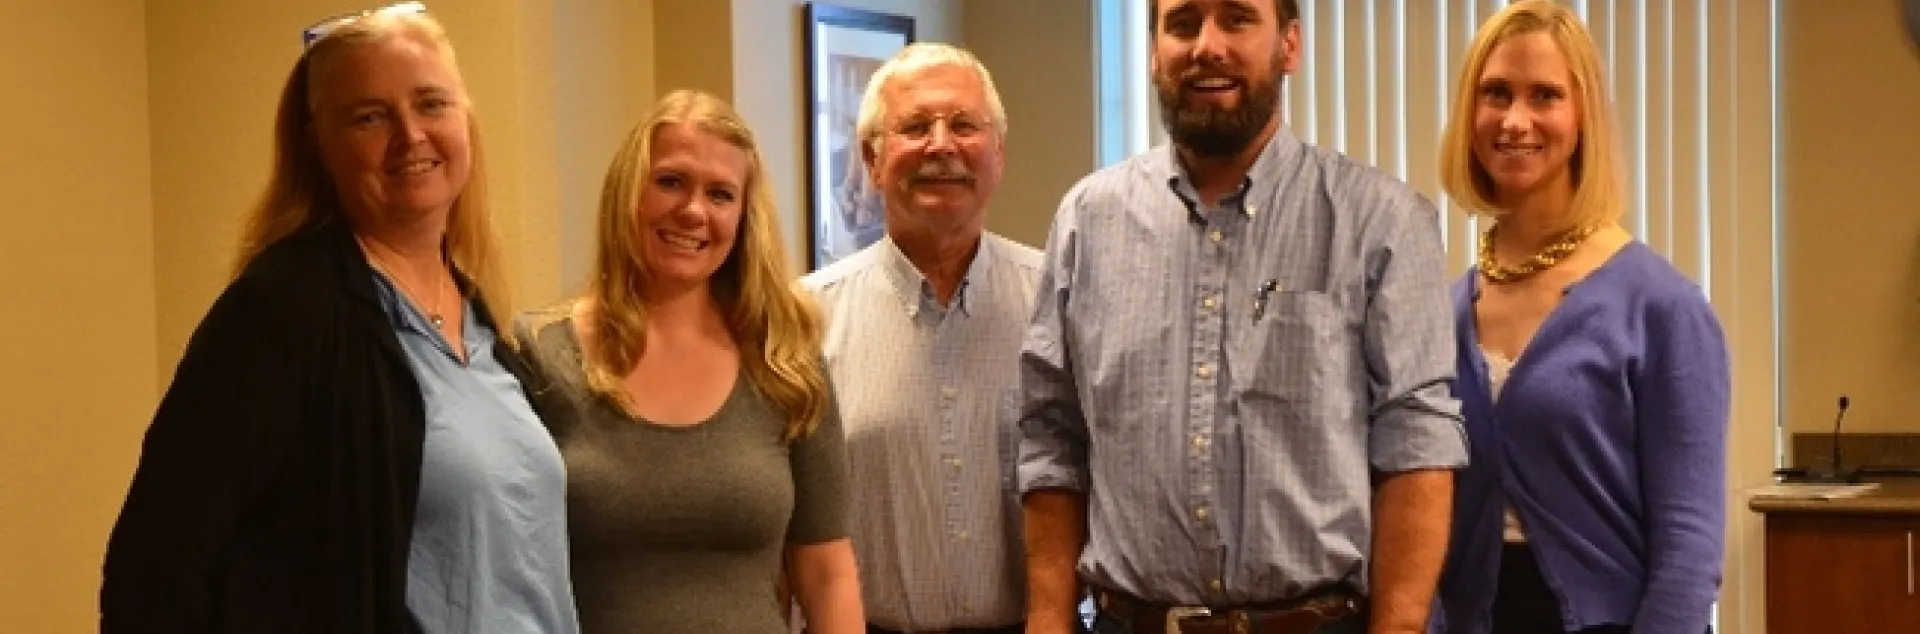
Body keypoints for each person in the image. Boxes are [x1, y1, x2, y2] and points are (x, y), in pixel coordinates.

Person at [100, 3, 580, 633]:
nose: (410, 135)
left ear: (465, 119)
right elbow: (157, 568)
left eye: (431, 104)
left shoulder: (481, 320)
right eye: (369, 117)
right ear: (318, 145)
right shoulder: (283, 310)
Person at [1017, 0, 1469, 632]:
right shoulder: (1086, 222)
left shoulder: (1380, 223)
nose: (1207, 46)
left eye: (1236, 19)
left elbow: (1416, 443)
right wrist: (1048, 619)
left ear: (1289, 44)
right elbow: (1052, 435)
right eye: (1182, 24)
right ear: (1154, 52)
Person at [512, 89, 863, 634]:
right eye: (671, 182)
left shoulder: (785, 363)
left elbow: (827, 573)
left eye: (720, 194)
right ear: (628, 192)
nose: (694, 211)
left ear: (744, 218)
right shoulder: (540, 354)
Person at [1430, 2, 1730, 633]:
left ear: (1583, 115)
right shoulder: (1445, 311)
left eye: (1545, 96)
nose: (1515, 120)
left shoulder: (1662, 308)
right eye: (1496, 93)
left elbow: (1689, 551)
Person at [802, 42, 1039, 634]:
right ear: (872, 159)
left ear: (998, 153)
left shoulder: (1057, 301)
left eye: (964, 125)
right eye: (914, 127)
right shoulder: (804, 318)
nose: (941, 145)